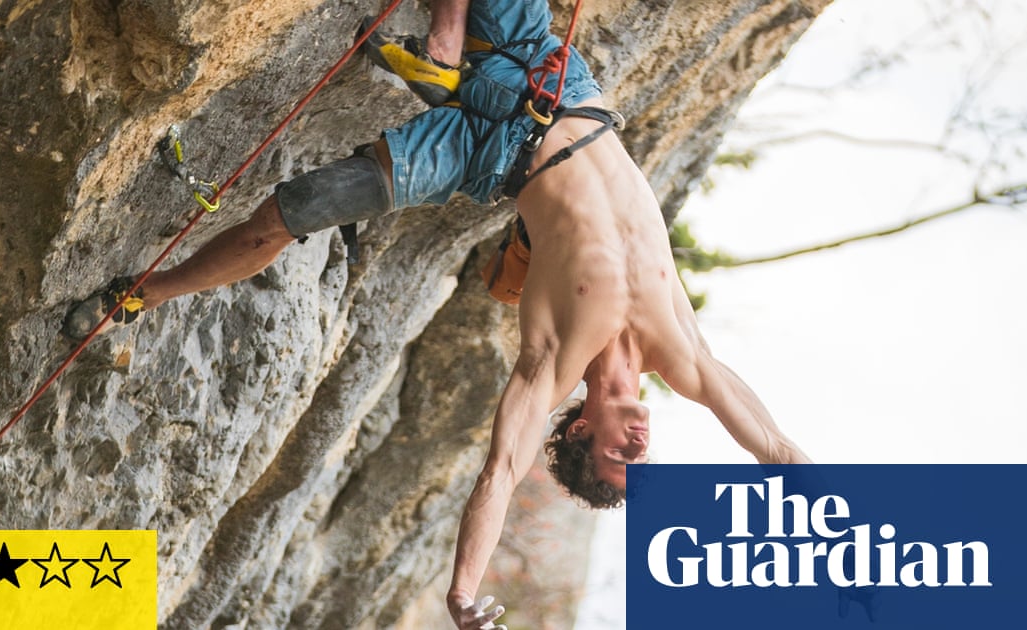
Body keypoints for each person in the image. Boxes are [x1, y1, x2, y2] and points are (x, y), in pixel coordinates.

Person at [63, 1, 811, 628]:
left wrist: (461, 591)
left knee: (289, 215)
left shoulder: (550, 365)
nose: (641, 445)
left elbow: (501, 470)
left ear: (583, 431)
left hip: (482, 151)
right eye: (639, 460)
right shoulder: (682, 353)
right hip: (554, 82)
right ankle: (442, 54)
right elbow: (775, 450)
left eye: (621, 457)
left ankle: (147, 291)